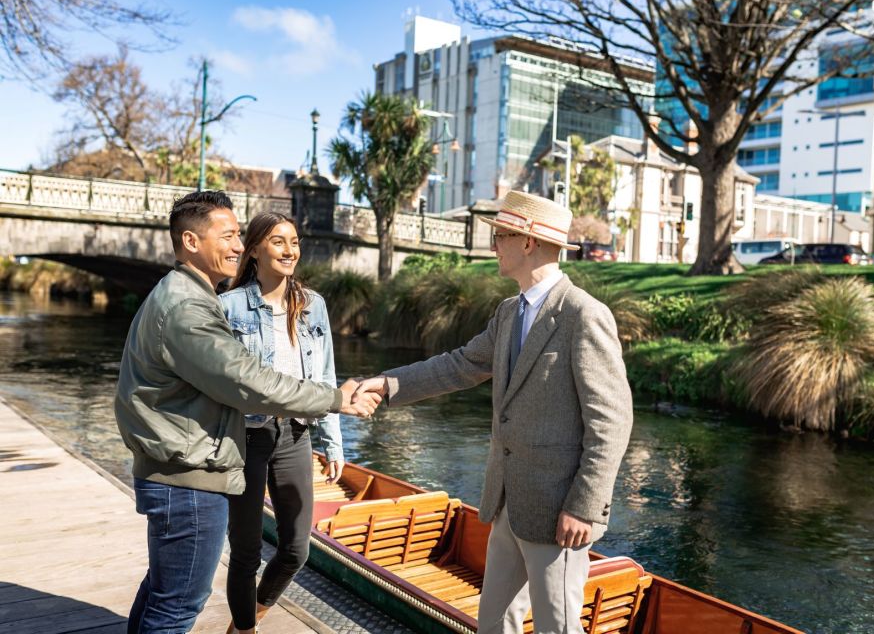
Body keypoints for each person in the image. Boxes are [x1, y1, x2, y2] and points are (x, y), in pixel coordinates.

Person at [354, 191, 633, 634]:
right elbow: (459, 365)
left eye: (500, 236)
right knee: (493, 623)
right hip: (505, 502)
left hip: (559, 513)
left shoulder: (584, 315)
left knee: (557, 628)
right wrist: (388, 384)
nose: (493, 245)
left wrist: (584, 506)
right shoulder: (508, 313)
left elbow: (612, 421)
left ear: (528, 242)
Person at [115, 191, 379, 634]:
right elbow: (249, 382)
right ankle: (245, 627)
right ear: (192, 241)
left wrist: (329, 428)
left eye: (240, 235)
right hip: (191, 474)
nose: (237, 245)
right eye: (230, 235)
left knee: (166, 594)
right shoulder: (195, 306)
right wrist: (335, 399)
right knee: (179, 605)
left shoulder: (188, 294)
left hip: (197, 461)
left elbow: (301, 369)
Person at [218, 213, 343, 634]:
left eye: (294, 241)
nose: (290, 250)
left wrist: (333, 442)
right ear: (253, 249)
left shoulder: (313, 305)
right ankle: (247, 630)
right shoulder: (228, 306)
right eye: (278, 241)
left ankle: (243, 623)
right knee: (246, 553)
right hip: (245, 437)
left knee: (296, 549)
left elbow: (325, 378)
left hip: (295, 435)